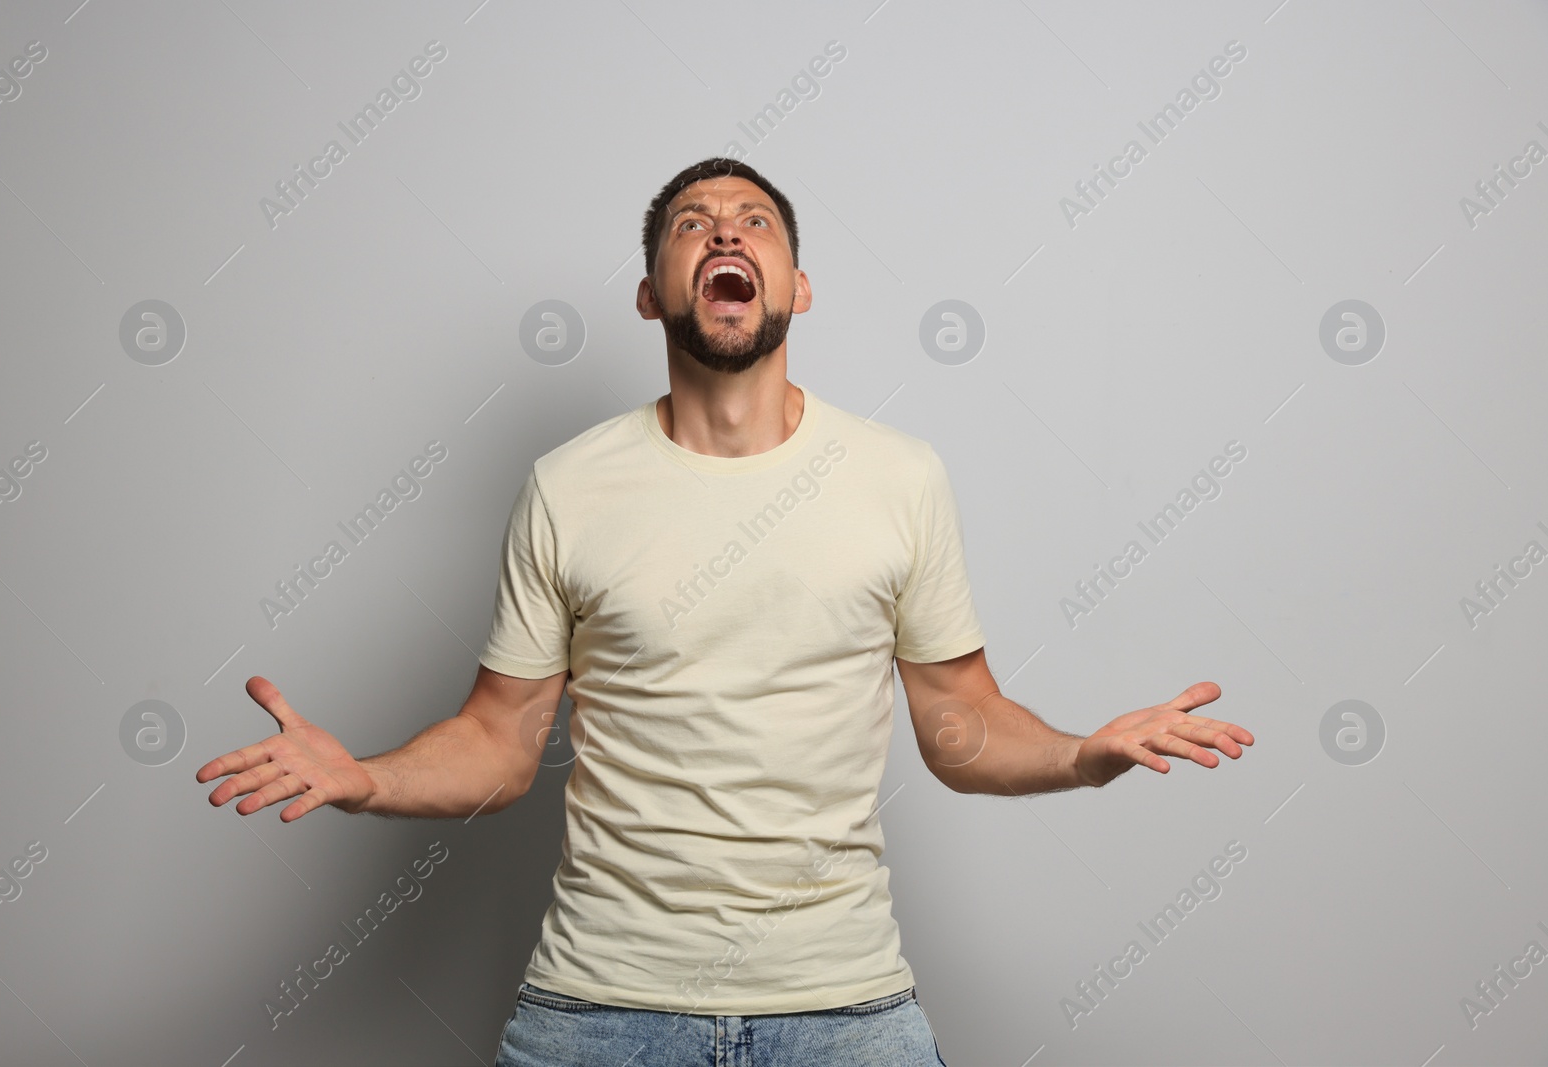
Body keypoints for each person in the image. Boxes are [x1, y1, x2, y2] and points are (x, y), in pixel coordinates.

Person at [197, 157, 1255, 1066]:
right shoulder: (569, 485)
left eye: (752, 222)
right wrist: (364, 777)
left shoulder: (898, 477)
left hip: (841, 1005)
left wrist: (1080, 753)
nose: (722, 233)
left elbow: (958, 720)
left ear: (796, 284)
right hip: (601, 1007)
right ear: (653, 295)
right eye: (690, 226)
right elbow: (497, 741)